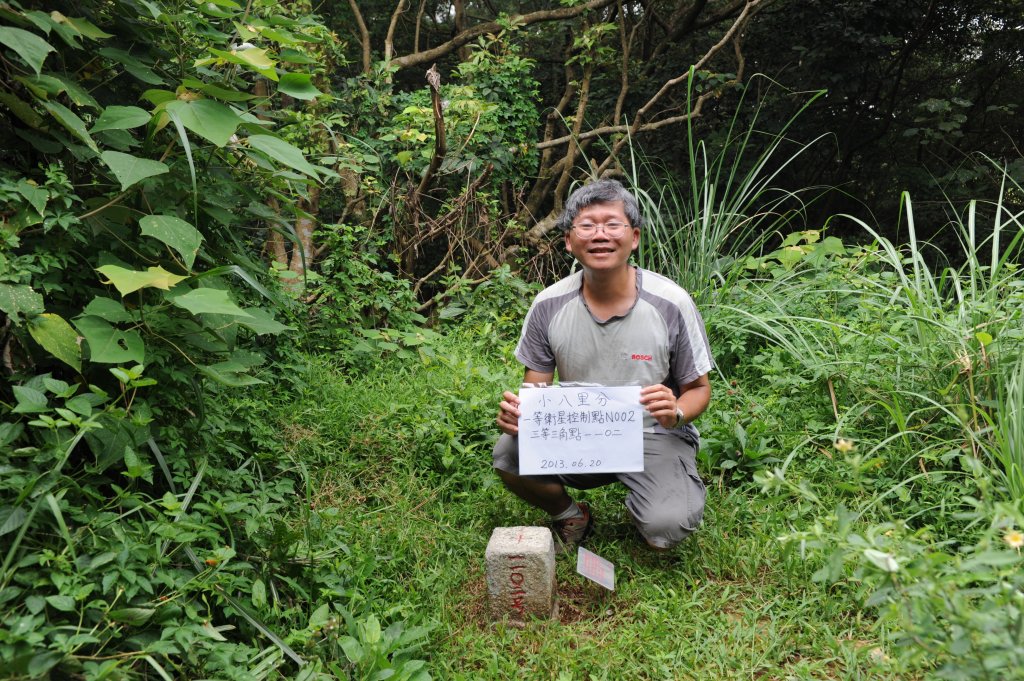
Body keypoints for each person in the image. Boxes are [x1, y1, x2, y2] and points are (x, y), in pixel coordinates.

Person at [493, 179, 713, 551]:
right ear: (568, 240)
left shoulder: (671, 302)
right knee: (508, 454)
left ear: (635, 237)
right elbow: (536, 390)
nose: (600, 235)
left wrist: (674, 411)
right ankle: (571, 515)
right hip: (579, 433)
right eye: (587, 225)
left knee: (666, 528)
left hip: (652, 433)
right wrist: (521, 414)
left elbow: (699, 389)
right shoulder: (548, 304)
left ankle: (656, 494)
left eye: (612, 224)